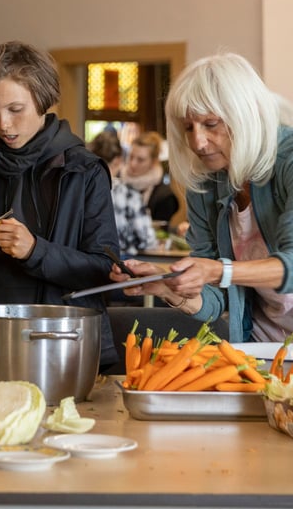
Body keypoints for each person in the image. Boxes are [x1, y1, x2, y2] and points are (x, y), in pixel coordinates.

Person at [0, 41, 119, 369]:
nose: (4, 125)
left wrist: (35, 251)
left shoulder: (85, 171)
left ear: (42, 100)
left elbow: (104, 272)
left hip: (65, 346)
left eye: (15, 109)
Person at [108, 52, 293, 343]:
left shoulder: (289, 161)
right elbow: (214, 301)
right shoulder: (207, 181)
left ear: (245, 115)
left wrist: (219, 270)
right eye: (188, 127)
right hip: (263, 346)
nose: (198, 143)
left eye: (211, 124)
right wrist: (166, 285)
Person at [88, 130, 157, 256]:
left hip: (86, 262)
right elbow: (147, 240)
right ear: (118, 160)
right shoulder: (129, 194)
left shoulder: (82, 190)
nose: (132, 164)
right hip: (120, 263)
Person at [121, 130, 181, 226]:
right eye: (131, 157)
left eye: (140, 160)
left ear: (154, 162)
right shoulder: (116, 183)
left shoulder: (165, 196)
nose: (133, 164)